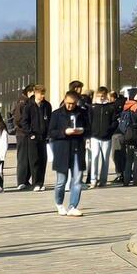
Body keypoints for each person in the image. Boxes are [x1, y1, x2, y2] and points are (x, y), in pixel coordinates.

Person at [49, 87, 89, 215]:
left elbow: (89, 129)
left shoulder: (82, 113)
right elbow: (51, 132)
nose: (70, 106)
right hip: (62, 150)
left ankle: (73, 206)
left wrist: (82, 131)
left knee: (77, 180)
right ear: (64, 100)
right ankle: (59, 203)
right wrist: (64, 132)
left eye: (73, 103)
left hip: (78, 149)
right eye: (68, 103)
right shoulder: (56, 114)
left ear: (76, 102)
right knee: (61, 181)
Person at [21, 86, 51, 190]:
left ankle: (41, 182)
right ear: (35, 93)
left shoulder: (47, 105)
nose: (42, 96)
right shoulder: (28, 106)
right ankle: (36, 183)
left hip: (43, 137)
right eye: (40, 94)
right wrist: (30, 133)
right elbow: (24, 122)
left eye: (43, 93)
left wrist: (48, 133)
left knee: (43, 160)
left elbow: (49, 119)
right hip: (33, 137)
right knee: (34, 161)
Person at [117, 91, 137, 185]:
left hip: (128, 136)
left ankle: (126, 180)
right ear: (133, 95)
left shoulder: (126, 106)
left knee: (129, 159)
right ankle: (136, 180)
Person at [86, 87, 115, 187]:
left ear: (106, 95)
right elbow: (89, 121)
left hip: (106, 137)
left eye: (103, 96)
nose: (101, 98)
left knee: (105, 159)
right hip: (94, 137)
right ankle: (93, 179)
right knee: (94, 157)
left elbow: (114, 121)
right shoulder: (93, 107)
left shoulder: (110, 107)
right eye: (99, 96)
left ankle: (103, 180)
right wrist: (89, 136)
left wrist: (110, 130)